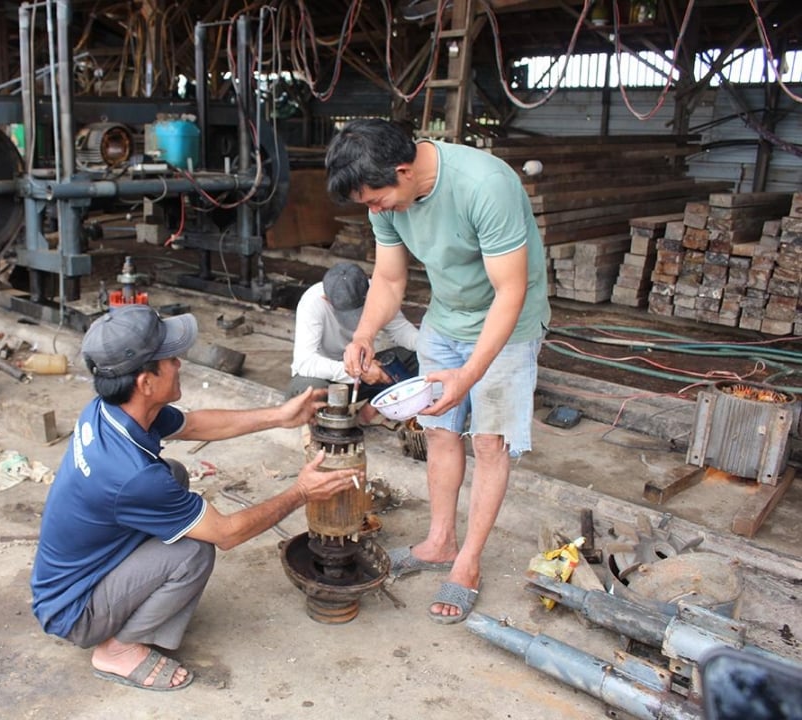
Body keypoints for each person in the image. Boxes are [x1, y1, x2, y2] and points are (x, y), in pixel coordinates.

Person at [31, 304, 360, 691]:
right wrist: (301, 491)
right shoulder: (132, 475)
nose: (180, 363)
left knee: (174, 473)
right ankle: (117, 650)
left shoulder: (109, 410)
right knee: (194, 551)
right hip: (74, 609)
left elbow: (193, 424)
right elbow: (228, 534)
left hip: (69, 576)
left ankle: (132, 602)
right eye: (170, 358)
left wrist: (279, 416)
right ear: (145, 382)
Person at [325, 118, 550, 624]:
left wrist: (469, 374)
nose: (375, 210)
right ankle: (440, 541)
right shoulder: (383, 193)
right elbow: (388, 276)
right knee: (439, 431)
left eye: (377, 200)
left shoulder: (485, 185)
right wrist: (363, 335)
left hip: (506, 324)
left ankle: (468, 562)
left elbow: (510, 292)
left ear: (404, 171)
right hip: (446, 319)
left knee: (488, 441)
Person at [289, 261, 419, 421]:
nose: (356, 319)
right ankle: (325, 425)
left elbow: (401, 331)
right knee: (306, 391)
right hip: (330, 376)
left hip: (367, 370)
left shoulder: (377, 291)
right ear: (326, 299)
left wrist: (430, 347)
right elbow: (305, 363)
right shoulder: (312, 302)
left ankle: (374, 406)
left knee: (418, 358)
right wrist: (357, 373)